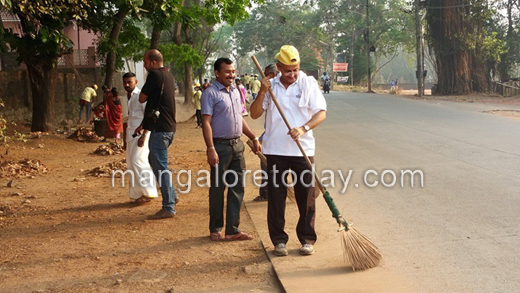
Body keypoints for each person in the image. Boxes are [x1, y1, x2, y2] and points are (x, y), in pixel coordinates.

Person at [250, 45, 327, 256]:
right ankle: (279, 241)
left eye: (295, 69)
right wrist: (263, 90)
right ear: (278, 68)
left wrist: (304, 128)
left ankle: (307, 239)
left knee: (307, 196)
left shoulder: (308, 83)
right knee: (276, 197)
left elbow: (321, 113)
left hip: (303, 149)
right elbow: (254, 113)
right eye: (287, 70)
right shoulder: (270, 86)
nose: (292, 74)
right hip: (275, 150)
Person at [201, 57, 261, 241]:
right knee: (218, 189)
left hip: (237, 146)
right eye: (227, 71)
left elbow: (240, 118)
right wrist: (211, 148)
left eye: (233, 71)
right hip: (220, 148)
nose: (231, 75)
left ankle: (233, 230)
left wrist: (253, 137)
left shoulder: (235, 92)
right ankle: (215, 229)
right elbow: (206, 122)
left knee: (237, 188)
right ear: (217, 73)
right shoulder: (210, 94)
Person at [136, 49, 178, 220]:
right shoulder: (168, 75)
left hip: (160, 130)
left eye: (145, 62)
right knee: (157, 163)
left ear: (153, 62)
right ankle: (172, 198)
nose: (144, 66)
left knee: (161, 168)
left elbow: (142, 98)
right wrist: (144, 126)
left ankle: (168, 207)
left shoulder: (154, 76)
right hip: (167, 128)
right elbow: (155, 104)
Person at [123, 72, 158, 203]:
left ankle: (150, 192)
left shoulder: (141, 97)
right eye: (125, 82)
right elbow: (127, 120)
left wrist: (144, 135)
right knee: (131, 164)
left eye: (129, 82)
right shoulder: (125, 97)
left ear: (136, 82)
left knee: (138, 161)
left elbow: (149, 116)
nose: (126, 85)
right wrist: (124, 140)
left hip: (141, 135)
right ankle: (137, 195)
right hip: (130, 135)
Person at [253, 64, 277, 202]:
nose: (264, 78)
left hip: (285, 136)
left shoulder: (277, 89)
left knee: (266, 163)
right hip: (270, 132)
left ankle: (266, 192)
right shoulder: (267, 90)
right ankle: (265, 192)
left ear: (272, 75)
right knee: (265, 161)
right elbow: (255, 113)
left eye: (266, 75)